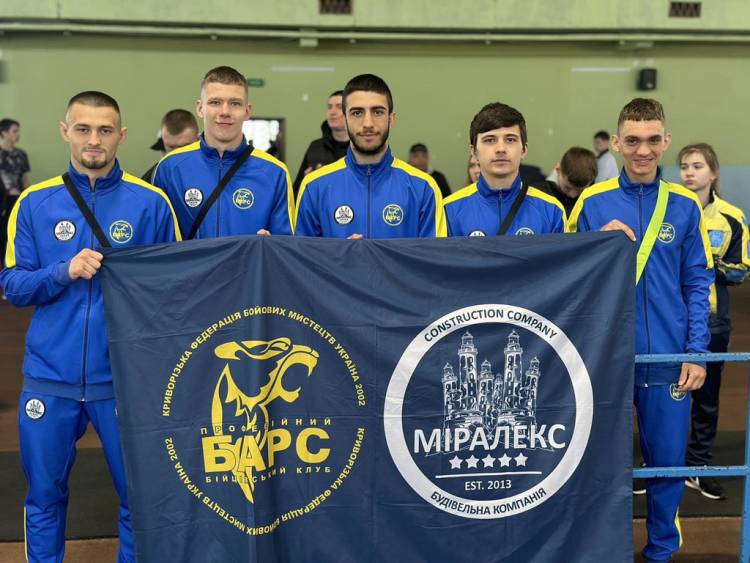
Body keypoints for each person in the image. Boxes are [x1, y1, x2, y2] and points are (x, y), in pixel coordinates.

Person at [0, 91, 181, 563]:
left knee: (138, 497)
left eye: (105, 130)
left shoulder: (151, 204)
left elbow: (175, 290)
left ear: (122, 135)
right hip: (49, 376)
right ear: (66, 132)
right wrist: (64, 271)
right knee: (44, 496)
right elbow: (14, 287)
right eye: (83, 129)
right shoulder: (34, 203)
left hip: (123, 380)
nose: (94, 140)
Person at [569, 98, 713, 562]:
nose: (643, 150)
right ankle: (601, 551)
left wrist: (696, 352)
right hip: (605, 360)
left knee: (667, 464)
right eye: (632, 140)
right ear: (616, 143)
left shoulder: (685, 206)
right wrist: (596, 243)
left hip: (668, 359)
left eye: (653, 140)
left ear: (666, 141)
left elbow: (698, 283)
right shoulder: (592, 203)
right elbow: (568, 277)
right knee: (596, 466)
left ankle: (661, 552)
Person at [679, 143, 749, 501]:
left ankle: (698, 465)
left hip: (712, 321)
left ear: (714, 172)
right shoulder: (670, 210)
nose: (689, 172)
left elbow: (740, 271)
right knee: (663, 397)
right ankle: (660, 465)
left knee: (706, 398)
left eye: (697, 166)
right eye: (684, 166)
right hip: (670, 320)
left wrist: (703, 261)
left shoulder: (732, 217)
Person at [295, 74, 445, 239]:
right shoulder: (314, 187)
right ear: (345, 120)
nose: (368, 123)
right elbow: (302, 254)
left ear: (391, 119)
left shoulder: (423, 188)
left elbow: (433, 254)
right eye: (357, 113)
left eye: (377, 112)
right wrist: (340, 253)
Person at [153, 66, 293, 239]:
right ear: (200, 108)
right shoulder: (169, 169)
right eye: (215, 102)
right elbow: (157, 242)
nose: (225, 112)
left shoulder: (274, 173)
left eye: (235, 103)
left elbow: (286, 245)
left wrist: (272, 245)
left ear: (247, 111)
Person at [444, 102, 566, 237]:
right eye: (490, 140)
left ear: (524, 149)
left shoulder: (551, 211)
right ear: (474, 152)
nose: (501, 149)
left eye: (510, 140)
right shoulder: (448, 211)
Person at [292, 90, 349, 196]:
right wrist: (307, 182)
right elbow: (296, 192)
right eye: (329, 107)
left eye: (339, 107)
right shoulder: (315, 147)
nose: (332, 112)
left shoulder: (361, 148)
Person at [0, 118, 31, 262]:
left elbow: (25, 179)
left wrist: (28, 199)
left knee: (14, 232)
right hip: (2, 200)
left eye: (18, 131)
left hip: (17, 199)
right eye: (14, 131)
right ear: (4, 133)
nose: (18, 134)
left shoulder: (21, 154)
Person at [141, 109, 200, 182]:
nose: (176, 154)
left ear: (198, 139)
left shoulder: (212, 170)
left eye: (183, 147)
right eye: (171, 147)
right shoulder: (153, 178)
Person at [536, 147, 597, 215]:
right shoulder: (540, 198)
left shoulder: (594, 195)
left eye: (580, 190)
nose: (573, 195)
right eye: (567, 188)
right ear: (558, 170)